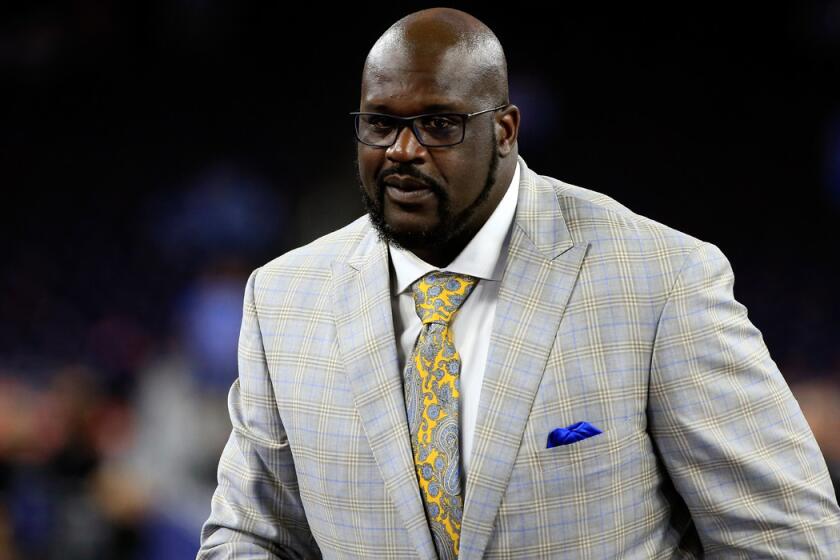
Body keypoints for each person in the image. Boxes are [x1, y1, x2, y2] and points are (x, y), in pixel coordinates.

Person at [197, 7, 840, 559]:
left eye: (439, 124)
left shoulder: (659, 281)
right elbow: (251, 533)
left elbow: (787, 537)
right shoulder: (284, 300)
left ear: (504, 131)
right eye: (381, 124)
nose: (403, 150)